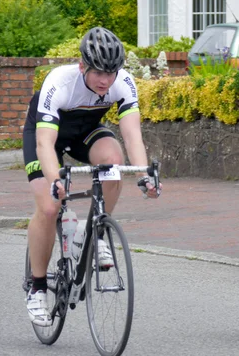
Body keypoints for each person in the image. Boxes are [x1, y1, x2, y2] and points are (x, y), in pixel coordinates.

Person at [23, 27, 162, 326]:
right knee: (49, 207)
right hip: (47, 136)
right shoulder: (59, 83)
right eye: (99, 72)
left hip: (85, 132)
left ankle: (94, 230)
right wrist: (55, 180)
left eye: (112, 72)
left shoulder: (122, 82)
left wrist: (143, 175)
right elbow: (46, 144)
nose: (106, 80)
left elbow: (132, 134)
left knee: (114, 160)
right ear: (83, 66)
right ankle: (36, 287)